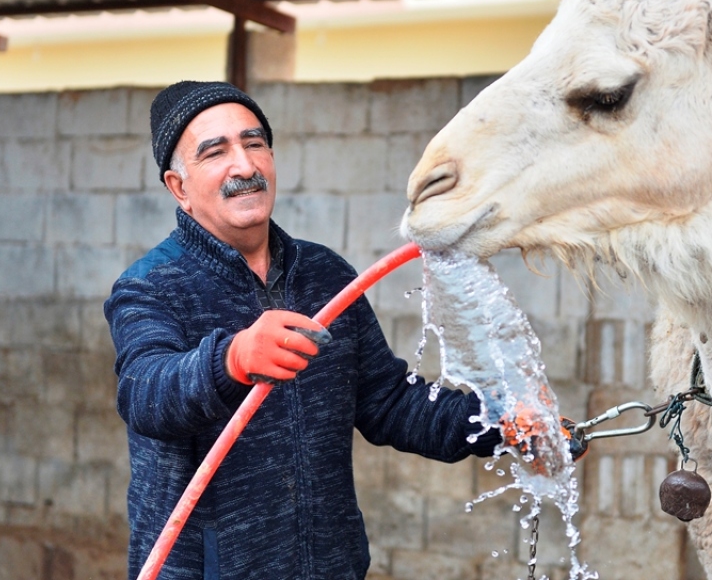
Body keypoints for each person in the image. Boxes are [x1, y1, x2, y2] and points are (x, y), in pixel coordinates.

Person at [105, 81, 497, 580]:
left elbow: (389, 403)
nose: (244, 167)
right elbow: (146, 393)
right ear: (179, 187)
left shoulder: (324, 273)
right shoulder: (151, 285)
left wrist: (498, 424)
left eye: (254, 144)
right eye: (214, 152)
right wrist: (233, 358)